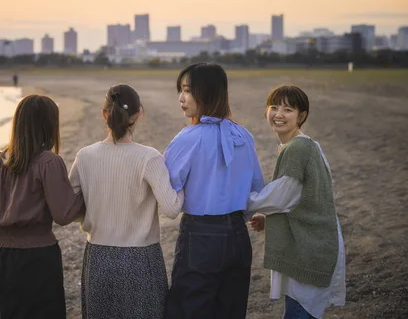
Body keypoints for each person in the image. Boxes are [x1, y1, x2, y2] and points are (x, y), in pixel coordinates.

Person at [69, 84, 184, 319]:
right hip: (141, 258)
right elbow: (172, 209)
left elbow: (70, 208)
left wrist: (93, 215)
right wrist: (182, 186)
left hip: (98, 256)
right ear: (138, 114)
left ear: (104, 114)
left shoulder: (85, 156)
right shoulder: (149, 157)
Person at [164, 62, 264, 319]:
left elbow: (166, 190)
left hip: (201, 236)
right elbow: (256, 191)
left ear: (206, 92)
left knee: (188, 309)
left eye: (187, 90)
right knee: (231, 311)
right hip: (239, 238)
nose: (181, 98)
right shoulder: (243, 135)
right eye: (181, 90)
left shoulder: (188, 137)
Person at [0, 94, 85, 319]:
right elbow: (64, 214)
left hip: (4, 258)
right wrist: (86, 195)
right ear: (48, 125)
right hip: (39, 258)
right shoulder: (48, 162)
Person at [247, 85, 346, 319]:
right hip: (311, 242)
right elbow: (300, 197)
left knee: (300, 312)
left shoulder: (299, 147)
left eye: (288, 109)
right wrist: (269, 217)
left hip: (310, 247)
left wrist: (235, 200)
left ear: (301, 116)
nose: (279, 114)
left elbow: (280, 196)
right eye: (274, 107)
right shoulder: (303, 144)